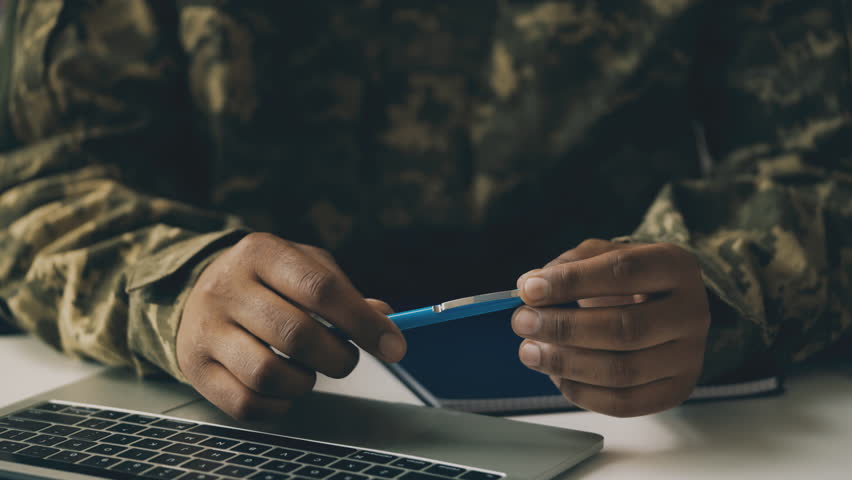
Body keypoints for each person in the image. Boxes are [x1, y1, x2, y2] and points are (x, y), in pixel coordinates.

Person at [0, 0, 849, 420]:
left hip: (648, 424)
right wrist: (181, 286)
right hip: (241, 425)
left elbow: (826, 163)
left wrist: (726, 284)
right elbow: (39, 181)